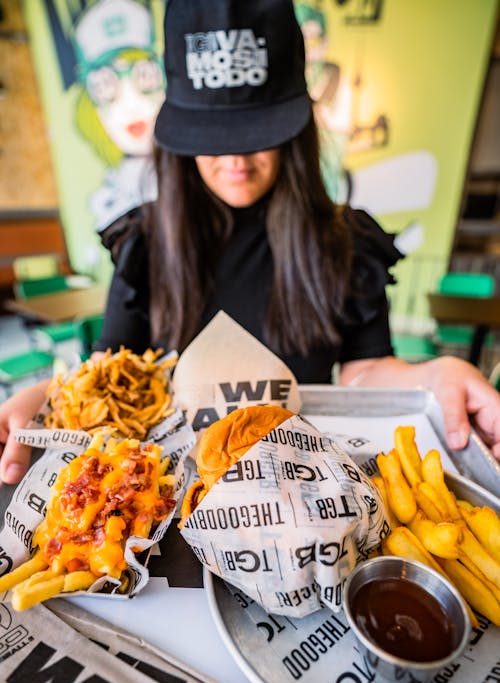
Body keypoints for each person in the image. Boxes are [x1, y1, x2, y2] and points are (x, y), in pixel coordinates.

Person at [1, 0, 499, 486]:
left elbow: (364, 370)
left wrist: (434, 377)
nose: (236, 158)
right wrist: (43, 398)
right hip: (165, 494)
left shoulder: (345, 241)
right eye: (213, 134)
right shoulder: (145, 241)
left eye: (258, 132)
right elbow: (109, 371)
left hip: (305, 484)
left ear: (295, 132)